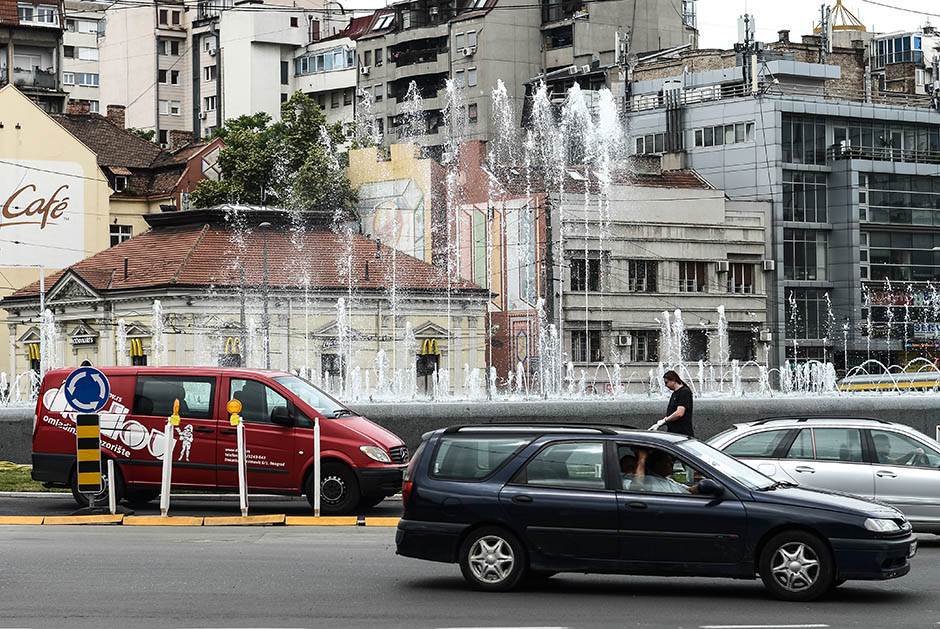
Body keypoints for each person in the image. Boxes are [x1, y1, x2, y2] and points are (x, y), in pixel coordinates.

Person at [649, 370, 694, 437]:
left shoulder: (684, 392)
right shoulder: (675, 393)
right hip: (675, 433)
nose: (665, 385)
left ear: (673, 380)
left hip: (682, 434)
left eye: (666, 382)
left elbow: (679, 413)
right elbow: (673, 413)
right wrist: (661, 423)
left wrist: (664, 420)